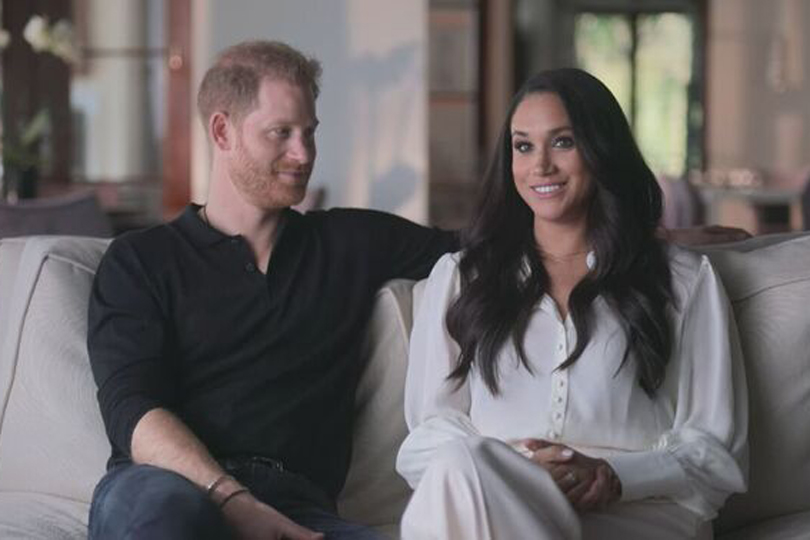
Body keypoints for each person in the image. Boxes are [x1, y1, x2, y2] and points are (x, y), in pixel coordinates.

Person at [86, 40, 458, 540]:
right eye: (281, 133)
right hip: (165, 489)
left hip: (296, 509)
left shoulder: (349, 243)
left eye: (309, 133)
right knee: (167, 519)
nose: (303, 154)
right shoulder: (140, 260)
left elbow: (489, 250)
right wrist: (232, 499)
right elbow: (133, 411)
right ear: (223, 131)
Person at [395, 68, 748, 540]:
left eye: (563, 142)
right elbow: (424, 442)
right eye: (523, 146)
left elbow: (717, 452)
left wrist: (614, 476)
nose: (540, 165)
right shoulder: (463, 278)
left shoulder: (683, 280)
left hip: (637, 516)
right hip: (500, 503)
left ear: (601, 150)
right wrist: (520, 469)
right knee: (458, 464)